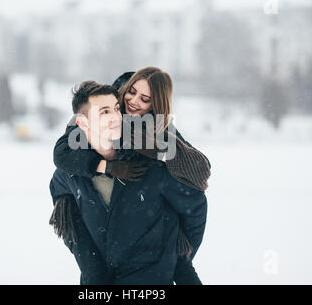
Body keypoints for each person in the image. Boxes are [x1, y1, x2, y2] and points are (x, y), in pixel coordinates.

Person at [52, 67, 211, 284]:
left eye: (144, 99)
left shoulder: (157, 133)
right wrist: (105, 166)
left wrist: (158, 150)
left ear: (155, 106)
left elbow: (200, 173)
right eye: (132, 92)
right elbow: (61, 154)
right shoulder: (99, 111)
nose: (133, 101)